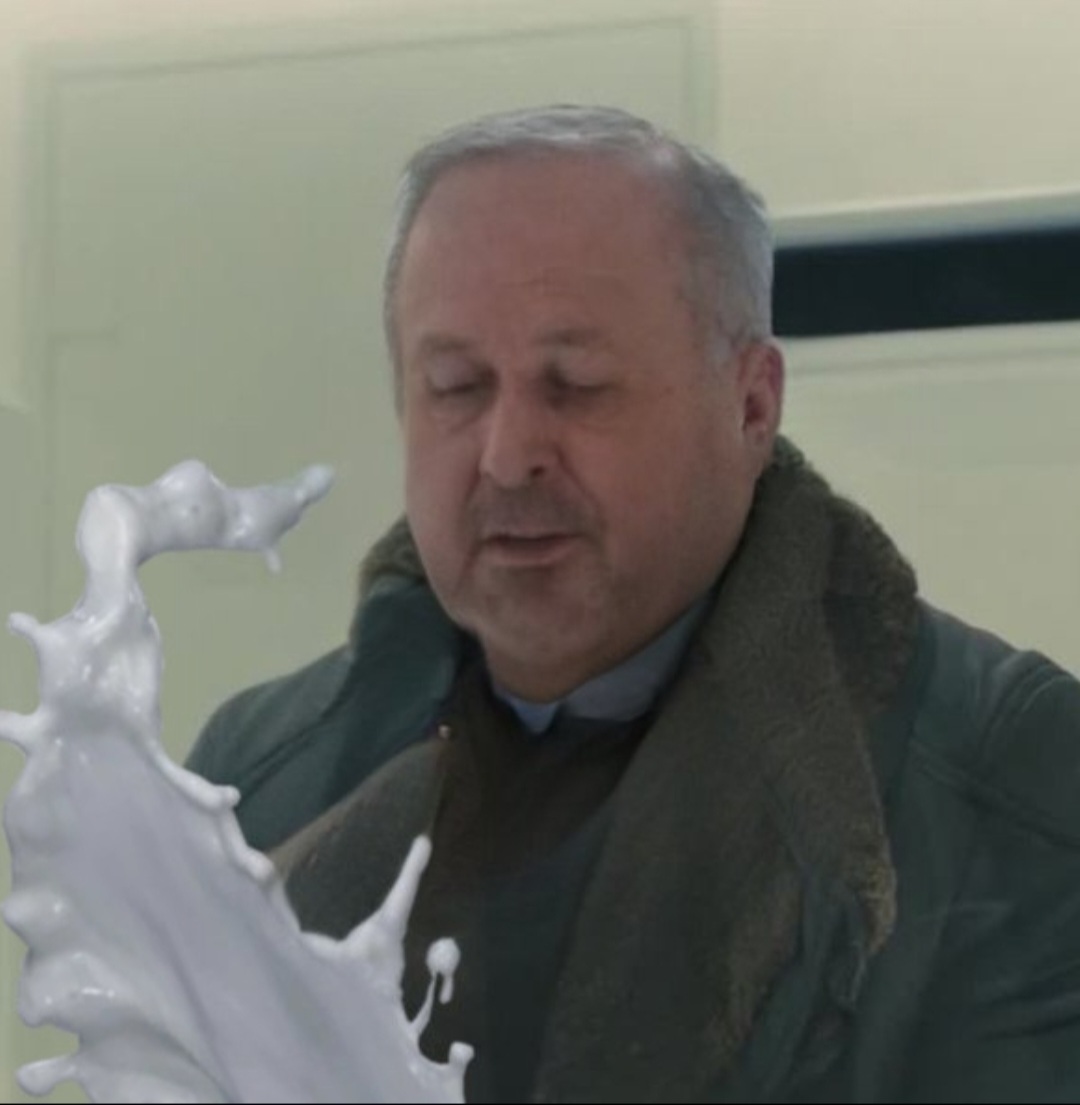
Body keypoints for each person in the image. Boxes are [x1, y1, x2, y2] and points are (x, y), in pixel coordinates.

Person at [186, 105, 1080, 1103]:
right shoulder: (249, 784)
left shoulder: (1004, 780)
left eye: (576, 385)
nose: (508, 454)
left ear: (751, 404)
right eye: (457, 385)